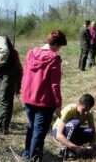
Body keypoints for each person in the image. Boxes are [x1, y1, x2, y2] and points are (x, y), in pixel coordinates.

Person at [21, 30, 67, 161]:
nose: (58, 50)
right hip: (44, 101)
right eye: (59, 46)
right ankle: (34, 158)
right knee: (39, 131)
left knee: (31, 126)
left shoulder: (31, 53)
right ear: (56, 44)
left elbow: (25, 75)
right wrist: (58, 104)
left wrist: (22, 93)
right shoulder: (54, 58)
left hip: (29, 97)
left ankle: (26, 154)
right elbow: (55, 84)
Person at [53, 94, 96, 159]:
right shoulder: (69, 110)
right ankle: (64, 150)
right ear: (78, 104)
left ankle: (72, 149)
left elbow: (94, 133)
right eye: (84, 110)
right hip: (58, 131)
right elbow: (58, 135)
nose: (85, 113)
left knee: (90, 132)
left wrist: (91, 146)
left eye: (88, 110)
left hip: (72, 132)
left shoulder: (88, 113)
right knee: (76, 123)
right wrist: (76, 148)